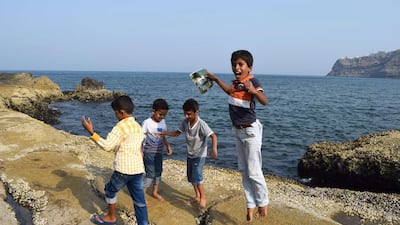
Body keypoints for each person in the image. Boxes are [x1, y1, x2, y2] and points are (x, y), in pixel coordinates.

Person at [206, 50, 269, 222]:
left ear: (249, 67)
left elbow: (265, 101)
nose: (236, 67)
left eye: (240, 64)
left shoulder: (252, 81)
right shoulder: (235, 83)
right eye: (234, 64)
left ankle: (263, 202)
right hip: (238, 131)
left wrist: (253, 91)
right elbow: (229, 91)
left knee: (254, 171)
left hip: (250, 131)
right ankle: (250, 205)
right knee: (243, 170)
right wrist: (216, 79)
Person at [81, 95, 148, 225]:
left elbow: (107, 146)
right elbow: (139, 148)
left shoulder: (120, 127)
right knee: (139, 199)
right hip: (138, 169)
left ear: (121, 112)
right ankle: (143, 223)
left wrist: (91, 132)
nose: (115, 115)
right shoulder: (138, 127)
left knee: (110, 190)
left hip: (123, 170)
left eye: (115, 112)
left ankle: (111, 217)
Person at [161, 98, 217, 209]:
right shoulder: (185, 122)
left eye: (189, 114)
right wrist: (165, 133)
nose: (186, 116)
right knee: (191, 178)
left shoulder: (202, 125)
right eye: (185, 114)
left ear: (197, 112)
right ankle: (197, 196)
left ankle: (203, 197)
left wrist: (214, 149)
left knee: (197, 177)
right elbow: (177, 133)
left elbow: (213, 136)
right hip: (190, 154)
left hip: (199, 155)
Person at [141, 98, 173, 202]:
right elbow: (140, 137)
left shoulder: (163, 122)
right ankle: (142, 194)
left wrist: (167, 146)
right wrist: (140, 151)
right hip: (149, 152)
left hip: (159, 152)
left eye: (164, 115)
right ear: (153, 111)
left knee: (158, 172)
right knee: (150, 173)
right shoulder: (147, 122)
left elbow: (163, 136)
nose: (162, 117)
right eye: (160, 114)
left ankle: (155, 191)